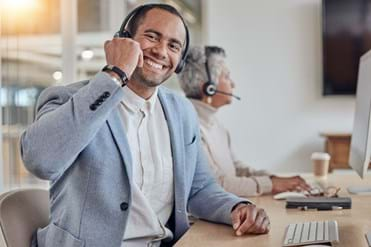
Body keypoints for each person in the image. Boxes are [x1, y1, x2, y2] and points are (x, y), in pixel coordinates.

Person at [20, 4, 270, 247]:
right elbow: (41, 161)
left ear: (179, 61)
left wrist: (237, 207)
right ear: (123, 41)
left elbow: (200, 187)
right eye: (152, 37)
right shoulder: (68, 99)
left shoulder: (181, 111)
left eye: (173, 46)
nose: (161, 51)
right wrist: (115, 74)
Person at [178, 46, 310, 197]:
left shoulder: (215, 124)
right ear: (209, 87)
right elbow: (216, 184)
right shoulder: (190, 127)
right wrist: (271, 185)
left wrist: (273, 178)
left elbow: (237, 169)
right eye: (226, 77)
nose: (233, 84)